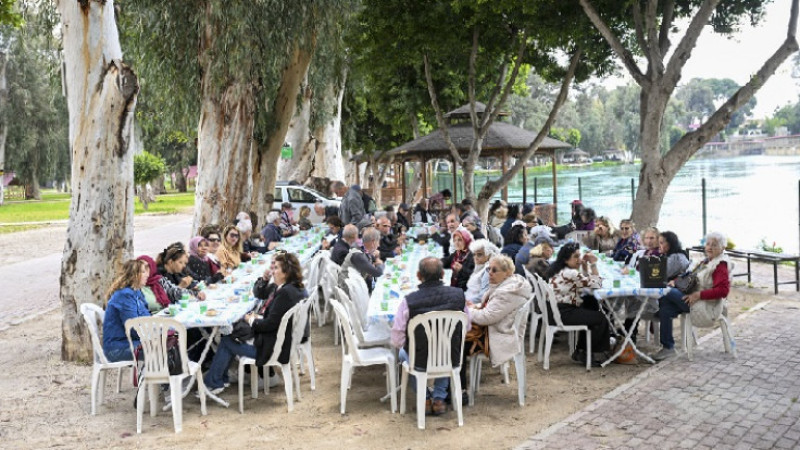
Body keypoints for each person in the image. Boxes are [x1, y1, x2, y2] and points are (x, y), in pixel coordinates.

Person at [204, 252, 305, 394]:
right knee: (234, 334)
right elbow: (272, 316)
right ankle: (220, 379)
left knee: (227, 340)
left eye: (276, 268)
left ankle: (214, 382)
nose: (273, 271)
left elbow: (269, 325)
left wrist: (251, 319)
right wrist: (257, 317)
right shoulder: (293, 288)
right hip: (282, 341)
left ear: (286, 272)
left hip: (272, 349)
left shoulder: (285, 293)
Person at [391, 257, 470, 416]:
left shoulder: (409, 301)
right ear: (442, 274)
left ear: (419, 276)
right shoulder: (459, 296)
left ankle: (425, 397)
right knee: (444, 347)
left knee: (402, 353)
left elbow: (397, 337)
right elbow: (466, 327)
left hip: (419, 358)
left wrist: (411, 344)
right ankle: (439, 398)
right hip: (450, 356)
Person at [652, 231, 731, 361]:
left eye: (714, 245)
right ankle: (668, 348)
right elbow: (690, 276)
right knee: (666, 306)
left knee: (665, 292)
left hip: (705, 305)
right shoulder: (707, 260)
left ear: (723, 248)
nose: (710, 247)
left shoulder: (720, 265)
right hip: (691, 298)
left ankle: (655, 312)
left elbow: (723, 291)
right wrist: (676, 281)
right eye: (708, 244)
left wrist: (699, 295)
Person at [546, 242, 610, 365]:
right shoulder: (571, 273)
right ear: (566, 259)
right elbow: (596, 284)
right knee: (601, 318)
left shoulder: (559, 269)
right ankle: (589, 354)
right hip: (563, 313)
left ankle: (582, 351)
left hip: (554, 311)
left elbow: (584, 282)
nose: (578, 259)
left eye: (579, 256)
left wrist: (584, 266)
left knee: (591, 304)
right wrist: (594, 263)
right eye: (575, 256)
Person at [469, 255, 532, 368]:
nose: (490, 273)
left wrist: (467, 310)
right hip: (499, 329)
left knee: (455, 339)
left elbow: (486, 317)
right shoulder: (509, 284)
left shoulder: (506, 292)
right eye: (489, 269)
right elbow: (493, 308)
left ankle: (458, 383)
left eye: (494, 270)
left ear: (507, 273)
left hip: (499, 335)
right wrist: (475, 307)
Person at [102, 259, 152, 362]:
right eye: (143, 272)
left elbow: (147, 317)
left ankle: (154, 377)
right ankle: (156, 377)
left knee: (167, 344)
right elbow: (133, 328)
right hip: (117, 348)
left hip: (131, 342)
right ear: (134, 275)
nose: (147, 275)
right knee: (161, 350)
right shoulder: (124, 295)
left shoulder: (137, 293)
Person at [338, 227, 385, 293]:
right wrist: (381, 263)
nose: (379, 245)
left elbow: (370, 261)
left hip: (351, 284)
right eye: (378, 242)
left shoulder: (360, 246)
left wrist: (374, 257)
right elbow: (377, 273)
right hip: (348, 289)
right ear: (373, 242)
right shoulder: (358, 255)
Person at [465, 239, 500, 305]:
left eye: (479, 255)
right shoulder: (481, 267)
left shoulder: (488, 271)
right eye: (474, 254)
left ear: (489, 255)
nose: (475, 257)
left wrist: (463, 302)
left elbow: (483, 297)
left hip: (474, 306)